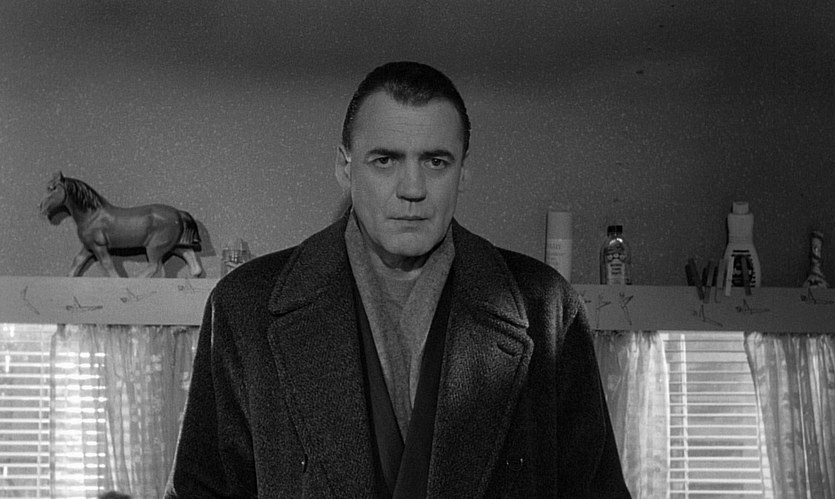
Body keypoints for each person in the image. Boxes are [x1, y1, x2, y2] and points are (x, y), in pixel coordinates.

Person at [166, 61, 629, 498]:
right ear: (344, 167)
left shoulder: (546, 308)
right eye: (385, 160)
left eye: (436, 162)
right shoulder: (244, 307)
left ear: (463, 172)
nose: (412, 188)